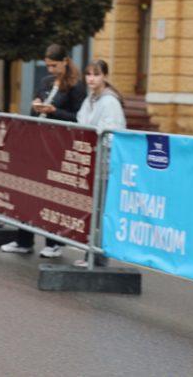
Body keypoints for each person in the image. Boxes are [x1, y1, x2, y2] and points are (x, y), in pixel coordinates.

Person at [0, 43, 86, 258]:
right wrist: (37, 105)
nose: (50, 70)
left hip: (59, 145)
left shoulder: (76, 86)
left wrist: (54, 111)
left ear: (65, 61)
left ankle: (53, 242)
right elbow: (34, 110)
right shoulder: (46, 82)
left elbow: (79, 117)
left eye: (54, 65)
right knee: (29, 190)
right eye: (47, 65)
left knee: (52, 196)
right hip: (38, 142)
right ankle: (24, 239)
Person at [73, 59, 125, 268]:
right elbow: (81, 121)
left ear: (105, 76)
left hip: (104, 164)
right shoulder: (90, 99)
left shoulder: (109, 102)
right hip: (89, 161)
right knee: (91, 208)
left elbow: (112, 132)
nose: (91, 78)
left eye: (96, 74)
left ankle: (99, 255)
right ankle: (90, 252)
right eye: (88, 74)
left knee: (101, 209)